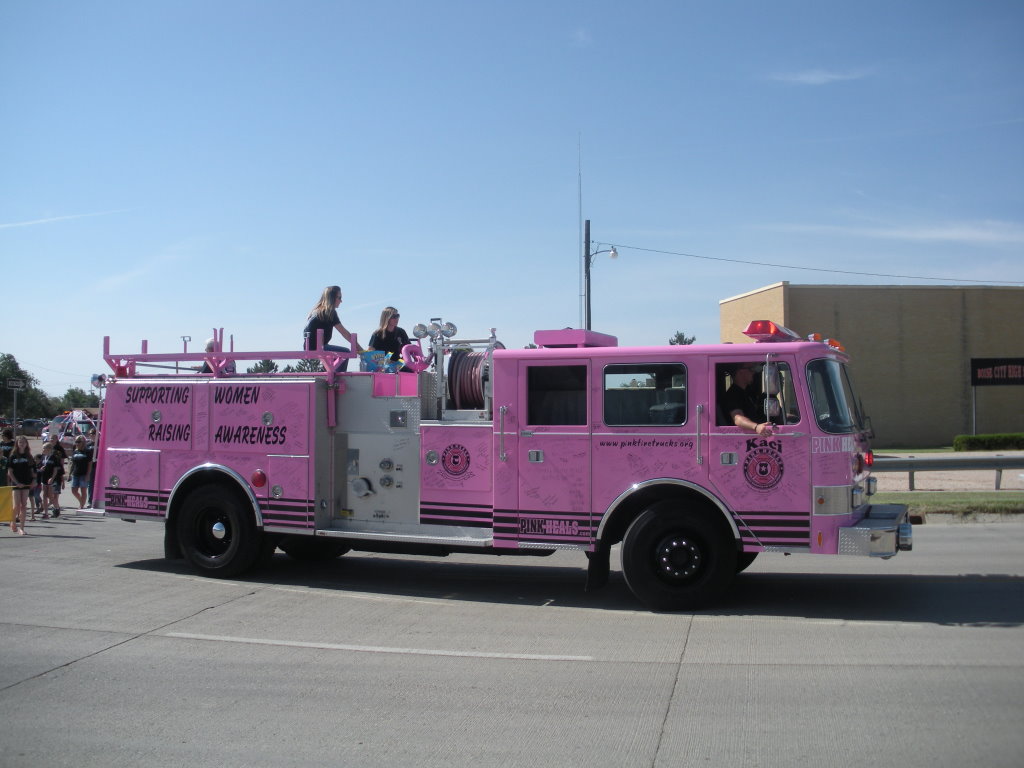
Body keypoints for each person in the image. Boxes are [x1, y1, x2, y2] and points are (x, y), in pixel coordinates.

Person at [303, 285, 364, 371]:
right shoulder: (329, 312)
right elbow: (344, 333)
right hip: (318, 348)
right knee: (345, 352)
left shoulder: (317, 311)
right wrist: (361, 350)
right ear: (332, 298)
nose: (341, 301)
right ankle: (337, 377)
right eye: (339, 298)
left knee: (335, 358)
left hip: (310, 347)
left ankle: (332, 373)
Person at [723, 363, 774, 436]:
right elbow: (737, 418)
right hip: (745, 437)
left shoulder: (748, 391)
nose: (753, 372)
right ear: (740, 372)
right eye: (750, 369)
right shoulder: (732, 394)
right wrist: (756, 427)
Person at [6, 435, 34, 534]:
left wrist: (33, 481)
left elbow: (33, 471)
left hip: (26, 483)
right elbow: (10, 472)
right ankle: (13, 521)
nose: (22, 444)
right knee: (17, 505)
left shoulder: (29, 456)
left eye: (24, 442)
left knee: (24, 505)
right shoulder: (12, 456)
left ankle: (21, 528)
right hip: (16, 483)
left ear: (26, 444)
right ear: (17, 444)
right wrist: (17, 483)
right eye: (20, 442)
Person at [69, 435, 93, 510]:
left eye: (79, 442)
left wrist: (88, 474)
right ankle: (81, 501)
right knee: (74, 490)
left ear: (83, 442)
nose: (77, 443)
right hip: (75, 473)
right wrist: (70, 473)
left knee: (83, 490)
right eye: (76, 442)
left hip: (84, 474)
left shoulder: (87, 451)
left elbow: (90, 464)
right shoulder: (75, 451)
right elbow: (72, 463)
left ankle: (81, 506)